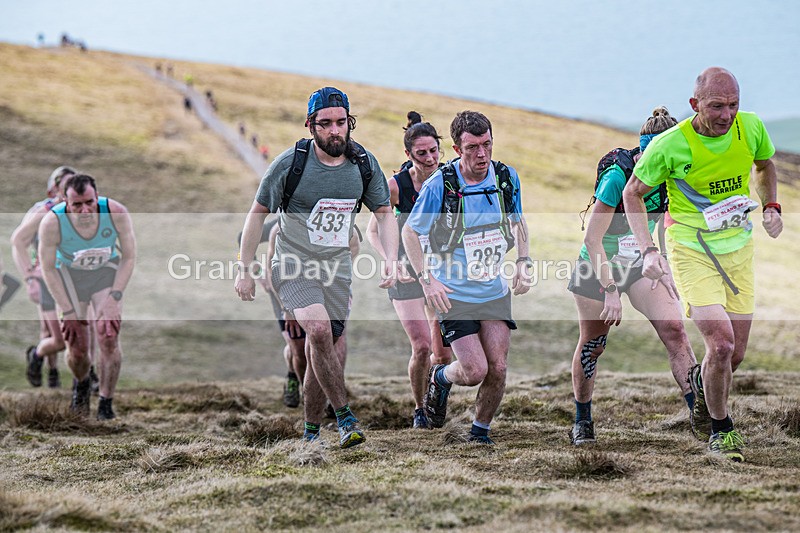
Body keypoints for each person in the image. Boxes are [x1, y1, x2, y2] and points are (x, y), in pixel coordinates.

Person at [623, 67, 783, 462]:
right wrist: (648, 251)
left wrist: (771, 205)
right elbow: (633, 193)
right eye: (716, 106)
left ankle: (699, 380)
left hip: (738, 249)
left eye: (733, 105)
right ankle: (721, 429)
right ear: (695, 105)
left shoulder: (751, 128)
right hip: (691, 248)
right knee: (722, 342)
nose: (726, 115)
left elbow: (764, 167)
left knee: (735, 353)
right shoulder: (669, 144)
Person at [235, 87, 399, 449]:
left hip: (336, 270)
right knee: (319, 331)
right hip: (292, 264)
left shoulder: (364, 164)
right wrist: (244, 269)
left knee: (320, 349)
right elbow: (256, 215)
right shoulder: (289, 164)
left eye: (341, 123)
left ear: (349, 122)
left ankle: (310, 431)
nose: (335, 131)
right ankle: (345, 417)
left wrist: (391, 259)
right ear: (311, 125)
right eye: (325, 124)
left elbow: (385, 215)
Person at [567, 107, 698, 445]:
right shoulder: (617, 177)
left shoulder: (671, 176)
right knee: (594, 344)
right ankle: (582, 419)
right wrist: (610, 291)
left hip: (639, 263)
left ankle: (701, 411)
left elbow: (660, 225)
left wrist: (663, 261)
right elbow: (592, 240)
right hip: (599, 265)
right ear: (648, 150)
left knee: (675, 329)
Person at [403, 110, 531, 444]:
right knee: (475, 371)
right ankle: (441, 378)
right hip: (454, 292)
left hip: (493, 289)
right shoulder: (440, 185)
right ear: (458, 148)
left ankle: (480, 432)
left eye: (487, 144)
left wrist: (524, 259)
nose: (482, 154)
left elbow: (517, 221)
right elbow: (410, 233)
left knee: (498, 368)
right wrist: (427, 280)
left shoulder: (505, 178)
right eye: (473, 147)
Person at [367, 113, 452, 429]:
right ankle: (419, 410)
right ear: (408, 155)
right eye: (421, 154)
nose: (430, 159)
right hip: (405, 275)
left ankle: (436, 400)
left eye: (434, 151)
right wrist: (390, 259)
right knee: (422, 346)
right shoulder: (395, 187)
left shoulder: (448, 179)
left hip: (439, 272)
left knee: (443, 355)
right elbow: (373, 231)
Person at [38, 174, 137, 420]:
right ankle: (81, 385)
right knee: (78, 348)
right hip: (69, 278)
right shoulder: (52, 223)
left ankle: (106, 402)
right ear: (65, 201)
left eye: (89, 202)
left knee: (108, 335)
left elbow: (129, 257)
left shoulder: (115, 212)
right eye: (77, 205)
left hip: (104, 274)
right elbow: (48, 268)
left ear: (97, 197)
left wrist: (115, 298)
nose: (85, 210)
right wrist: (67, 311)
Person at [11, 166, 75, 388]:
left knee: (75, 329)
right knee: (49, 331)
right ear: (54, 190)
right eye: (64, 185)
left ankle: (86, 374)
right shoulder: (42, 211)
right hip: (45, 277)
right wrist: (30, 277)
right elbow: (19, 242)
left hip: (70, 277)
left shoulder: (80, 209)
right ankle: (52, 372)